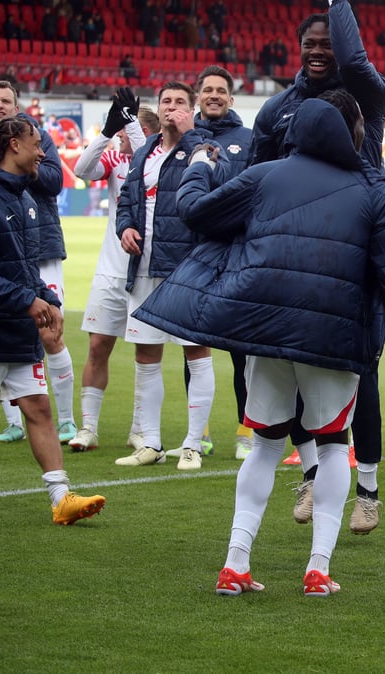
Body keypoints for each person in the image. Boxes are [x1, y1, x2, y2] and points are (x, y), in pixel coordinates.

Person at [136, 93, 385, 597]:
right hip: (333, 337)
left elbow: (195, 211)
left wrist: (200, 161)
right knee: (333, 444)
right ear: (352, 132)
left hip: (264, 329)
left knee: (265, 445)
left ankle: (235, 563)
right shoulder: (376, 191)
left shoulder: (265, 175)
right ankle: (318, 569)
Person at [248, 2, 385, 536]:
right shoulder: (277, 109)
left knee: (362, 374)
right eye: (309, 42)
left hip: (355, 250)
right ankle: (312, 472)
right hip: (292, 257)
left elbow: (354, 59)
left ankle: (369, 490)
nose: (317, 51)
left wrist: (339, 8)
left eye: (326, 43)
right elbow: (254, 177)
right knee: (286, 365)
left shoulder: (367, 96)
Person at [0, 116, 107, 524]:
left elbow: (27, 268)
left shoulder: (25, 198)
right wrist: (28, 301)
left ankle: (61, 498)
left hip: (18, 330)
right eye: (36, 143)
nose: (44, 151)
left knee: (39, 409)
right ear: (14, 145)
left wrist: (48, 300)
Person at [114, 81, 215, 471]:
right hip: (142, 267)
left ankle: (192, 444)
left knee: (196, 353)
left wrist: (189, 135)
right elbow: (127, 198)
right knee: (146, 355)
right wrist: (125, 227)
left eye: (179, 102)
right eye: (166, 102)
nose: (171, 108)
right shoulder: (144, 153)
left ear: (191, 110)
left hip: (185, 269)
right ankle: (151, 442)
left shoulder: (203, 149)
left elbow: (212, 189)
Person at [0, 81, 78, 448]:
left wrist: (17, 169)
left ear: (17, 108)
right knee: (0, 329)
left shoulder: (37, 139)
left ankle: (65, 420)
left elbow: (52, 181)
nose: (0, 106)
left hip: (38, 246)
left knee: (49, 332)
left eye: (6, 101)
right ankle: (14, 420)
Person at [166, 65, 255, 462]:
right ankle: (197, 432)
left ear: (231, 99)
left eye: (221, 90)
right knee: (193, 346)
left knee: (241, 351)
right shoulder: (181, 139)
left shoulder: (249, 140)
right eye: (208, 90)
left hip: (235, 254)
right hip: (193, 254)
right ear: (198, 96)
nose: (214, 95)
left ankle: (246, 430)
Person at [69, 89, 158, 452]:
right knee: (97, 346)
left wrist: (131, 125)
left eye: (125, 133)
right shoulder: (115, 160)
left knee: (145, 353)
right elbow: (81, 170)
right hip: (109, 271)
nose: (122, 140)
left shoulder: (155, 161)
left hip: (145, 273)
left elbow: (146, 154)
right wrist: (107, 131)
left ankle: (139, 429)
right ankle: (88, 428)